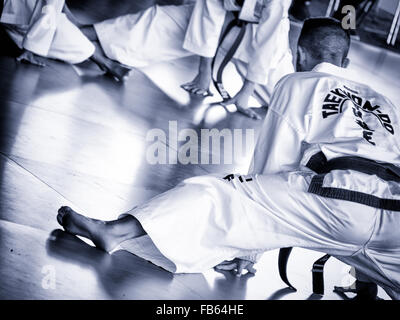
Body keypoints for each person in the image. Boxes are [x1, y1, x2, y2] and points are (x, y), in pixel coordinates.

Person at [57, 17, 400, 299]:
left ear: (299, 54)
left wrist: (248, 250)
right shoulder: (386, 101)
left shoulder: (299, 83)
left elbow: (270, 167)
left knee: (222, 193)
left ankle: (116, 231)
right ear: (346, 62)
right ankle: (367, 286)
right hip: (397, 215)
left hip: (336, 200)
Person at [80, 0, 294, 119]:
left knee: (288, 102)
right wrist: (203, 73)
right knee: (148, 27)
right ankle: (72, 33)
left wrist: (246, 91)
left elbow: (270, 35)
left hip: (261, 38)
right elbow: (208, 11)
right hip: (219, 19)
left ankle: (68, 38)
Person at [0, 0, 130, 80]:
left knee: (61, 27)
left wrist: (72, 20)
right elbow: (50, 7)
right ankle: (104, 62)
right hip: (21, 15)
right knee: (75, 42)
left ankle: (103, 60)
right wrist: (30, 49)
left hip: (21, 12)